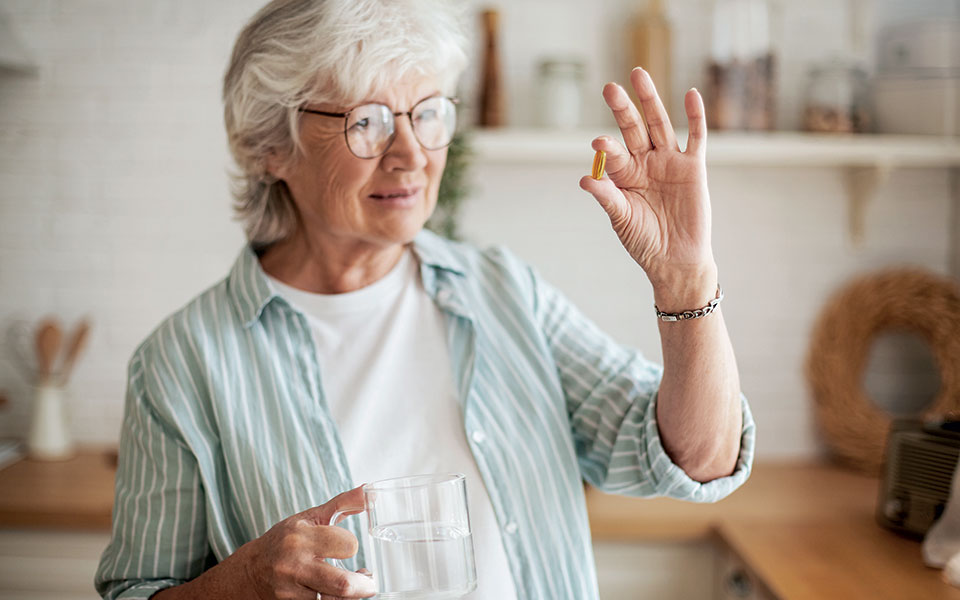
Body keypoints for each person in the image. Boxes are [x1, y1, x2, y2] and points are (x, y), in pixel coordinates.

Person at [95, 0, 755, 598]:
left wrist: (687, 279)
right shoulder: (180, 364)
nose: (410, 154)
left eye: (428, 113)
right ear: (272, 145)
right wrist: (244, 582)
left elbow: (701, 457)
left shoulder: (502, 293)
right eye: (368, 122)